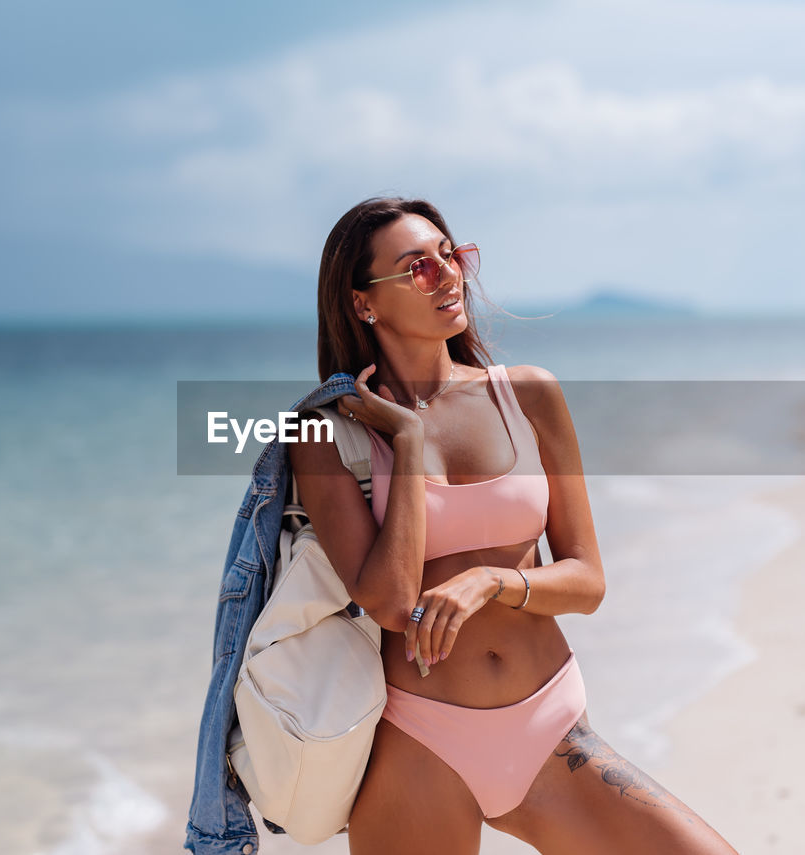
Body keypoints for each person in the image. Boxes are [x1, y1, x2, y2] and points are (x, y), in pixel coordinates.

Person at [288, 197, 740, 854]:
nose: (448, 276)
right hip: (419, 738)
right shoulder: (327, 434)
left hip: (549, 724)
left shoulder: (527, 395)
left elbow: (587, 580)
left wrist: (494, 581)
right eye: (418, 267)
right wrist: (409, 442)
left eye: (452, 255)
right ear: (365, 303)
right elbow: (386, 601)